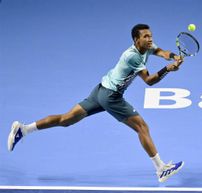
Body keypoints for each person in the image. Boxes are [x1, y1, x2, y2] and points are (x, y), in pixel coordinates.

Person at [7, 24, 184, 183]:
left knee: (66, 120)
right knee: (142, 127)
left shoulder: (147, 46)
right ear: (136, 40)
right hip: (111, 97)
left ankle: (24, 129)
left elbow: (161, 51)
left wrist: (174, 57)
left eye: (150, 36)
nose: (150, 39)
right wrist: (167, 69)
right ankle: (161, 169)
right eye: (145, 36)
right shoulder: (132, 57)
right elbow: (149, 81)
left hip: (100, 90)